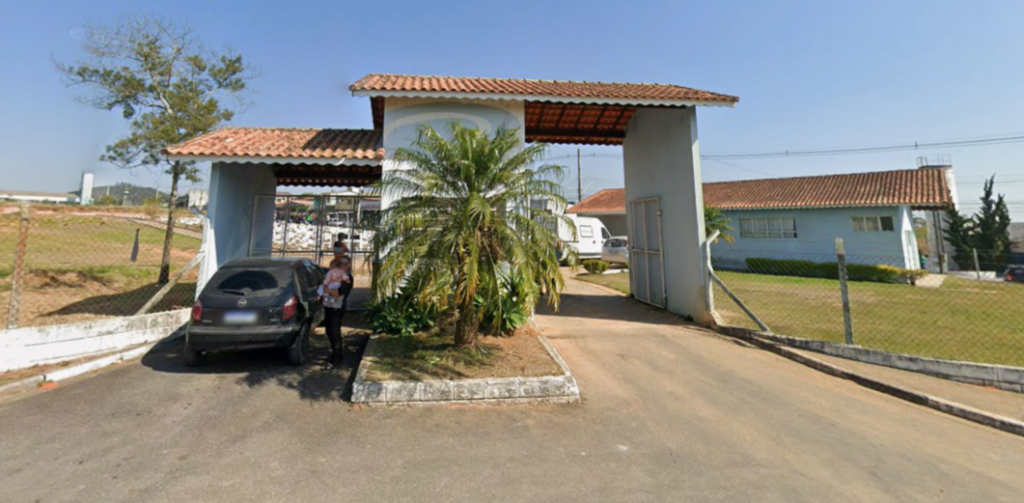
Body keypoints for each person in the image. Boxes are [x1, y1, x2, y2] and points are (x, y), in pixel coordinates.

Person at [320, 256, 353, 370]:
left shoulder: (347, 278)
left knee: (334, 332)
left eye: (344, 264)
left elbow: (337, 293)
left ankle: (337, 357)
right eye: (340, 263)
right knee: (328, 330)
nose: (342, 266)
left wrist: (325, 290)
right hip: (329, 306)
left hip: (337, 308)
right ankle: (335, 352)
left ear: (349, 266)